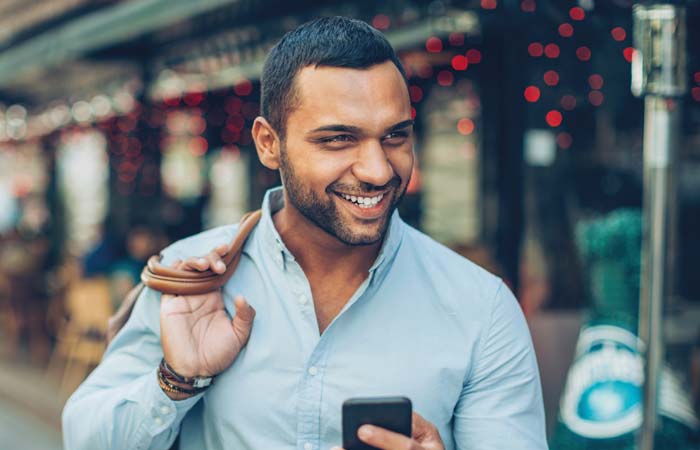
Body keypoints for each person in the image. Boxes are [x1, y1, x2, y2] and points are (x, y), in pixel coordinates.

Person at [62, 16, 547, 450]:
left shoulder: (481, 309)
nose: (378, 170)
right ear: (269, 144)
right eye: (338, 139)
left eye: (395, 136)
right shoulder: (191, 277)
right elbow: (84, 437)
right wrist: (178, 380)